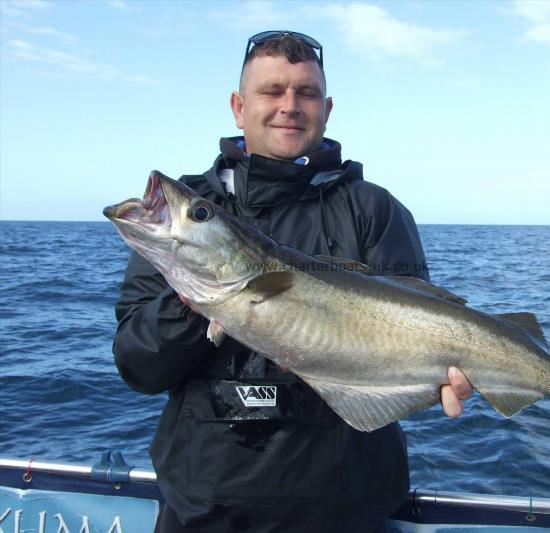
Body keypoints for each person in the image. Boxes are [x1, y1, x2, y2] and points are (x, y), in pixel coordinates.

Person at [113, 31, 472, 533]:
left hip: (348, 511)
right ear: (239, 107)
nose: (289, 106)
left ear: (326, 109)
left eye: (305, 93)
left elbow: (412, 326)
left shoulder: (375, 210)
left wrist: (437, 375)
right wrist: (192, 301)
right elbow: (138, 365)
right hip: (205, 510)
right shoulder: (188, 220)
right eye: (272, 91)